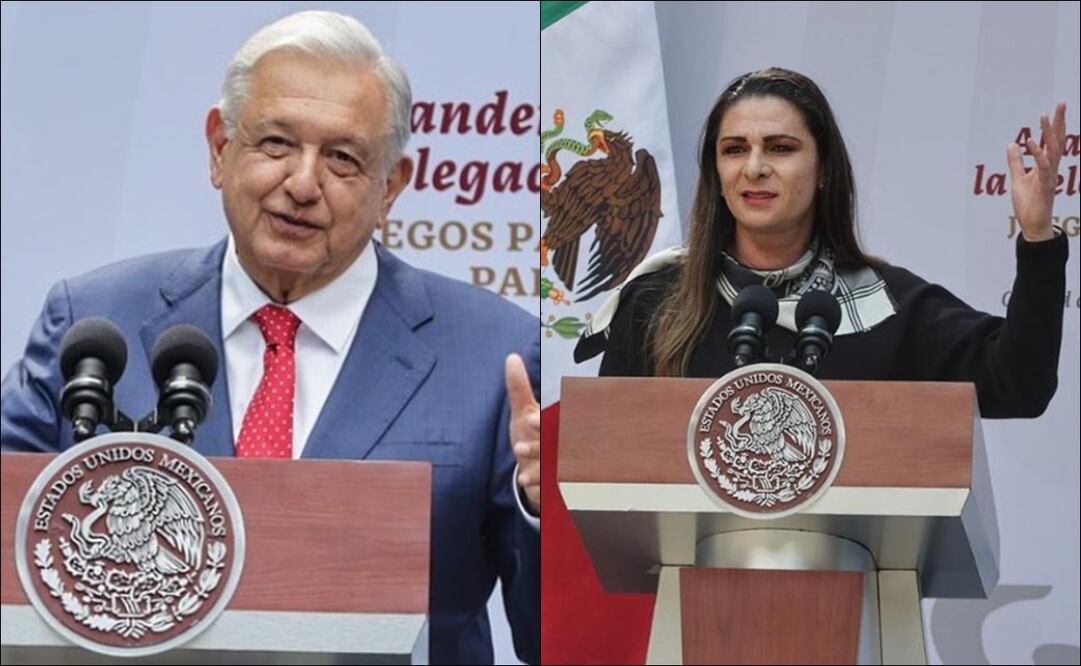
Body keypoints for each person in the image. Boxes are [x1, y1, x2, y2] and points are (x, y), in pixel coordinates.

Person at [0, 11, 540, 665]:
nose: (303, 184)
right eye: (276, 144)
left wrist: (552, 517)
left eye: (342, 158)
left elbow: (557, 639)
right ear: (219, 149)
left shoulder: (494, 353)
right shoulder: (93, 324)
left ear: (391, 185)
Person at [576, 67, 1067, 418]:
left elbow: (1019, 386)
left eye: (781, 148)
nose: (754, 168)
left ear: (825, 170)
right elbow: (607, 455)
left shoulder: (885, 305)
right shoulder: (657, 298)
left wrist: (1037, 237)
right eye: (734, 150)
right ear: (716, 174)